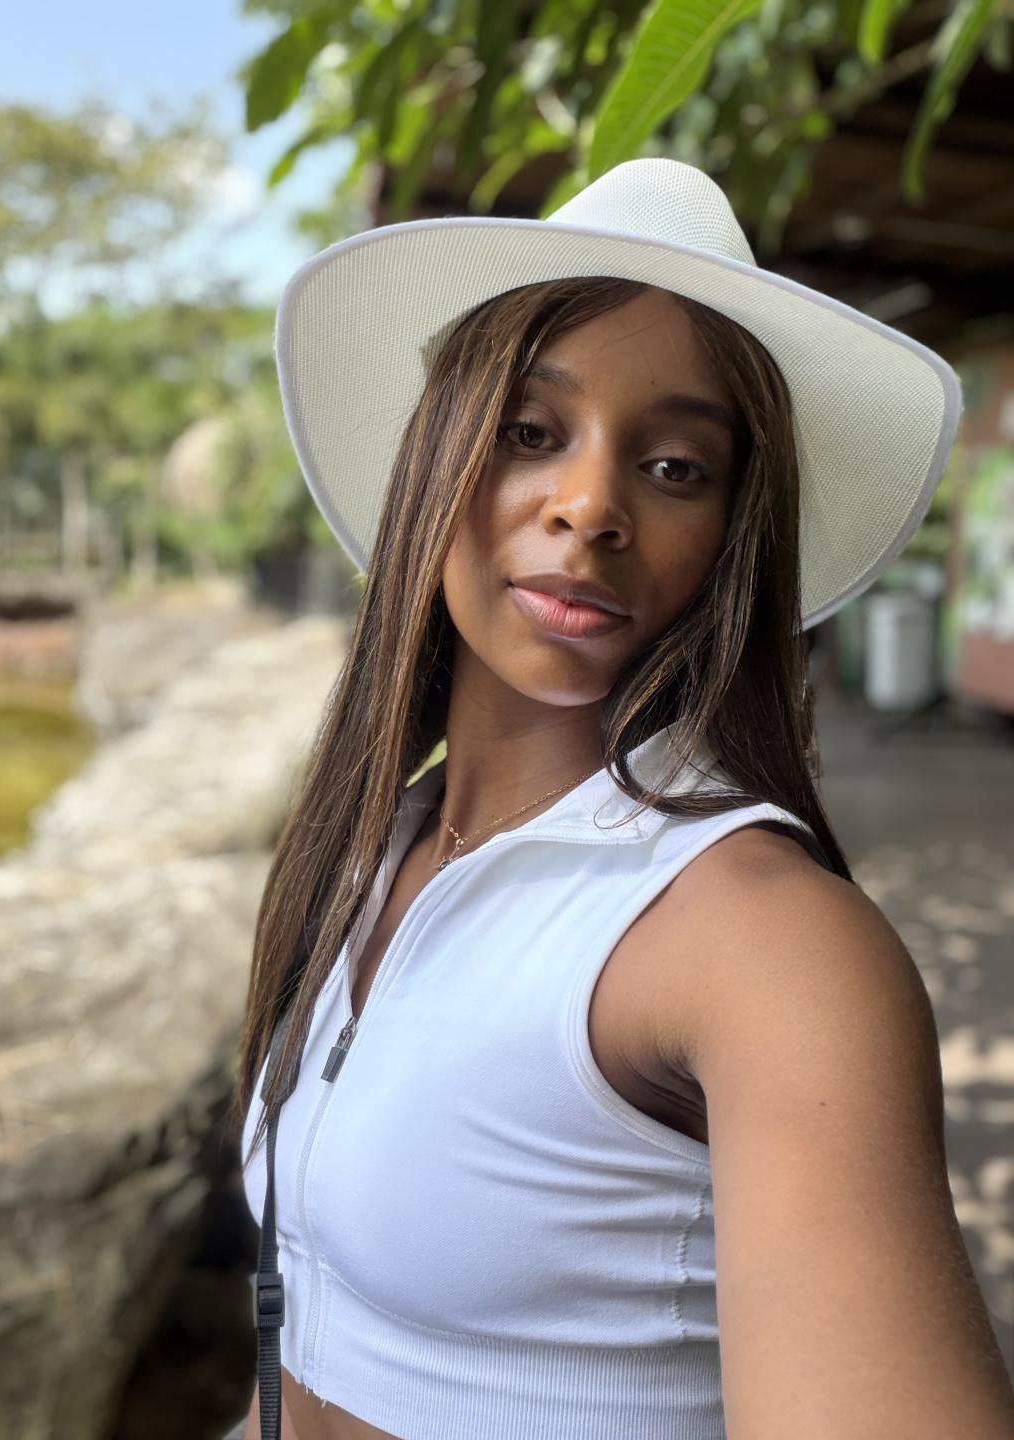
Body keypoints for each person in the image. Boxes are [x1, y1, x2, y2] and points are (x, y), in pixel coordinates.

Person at [224, 159, 1014, 1440]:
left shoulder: (769, 950)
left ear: (731, 538)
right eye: (531, 433)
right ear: (433, 460)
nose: (591, 507)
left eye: (677, 466)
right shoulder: (379, 848)